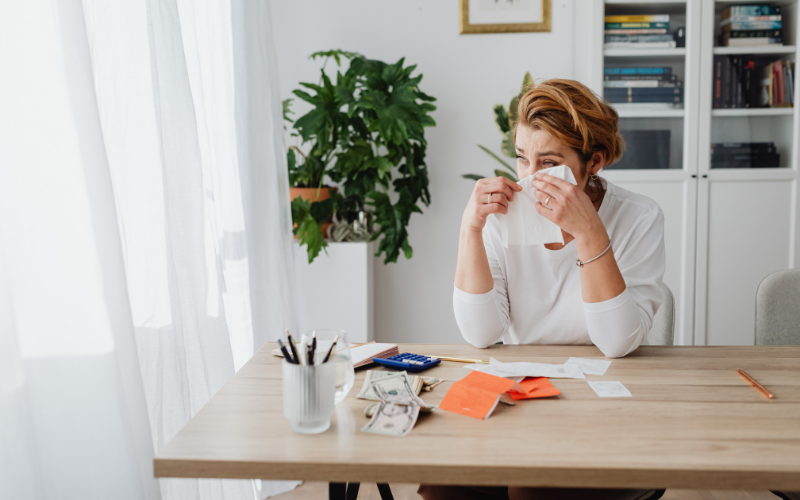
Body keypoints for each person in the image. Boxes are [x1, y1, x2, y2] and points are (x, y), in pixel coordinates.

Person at [417, 79, 665, 500]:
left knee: (532, 488)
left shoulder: (639, 217)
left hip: (606, 405)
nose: (530, 178)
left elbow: (617, 342)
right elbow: (480, 334)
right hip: (522, 393)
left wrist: (588, 232)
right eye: (521, 159)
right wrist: (470, 229)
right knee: (445, 481)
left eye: (548, 163)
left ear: (594, 162)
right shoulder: (502, 218)